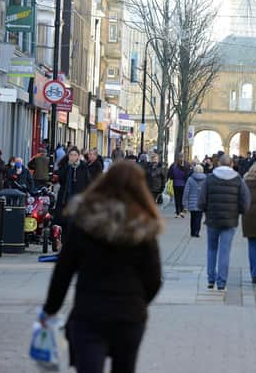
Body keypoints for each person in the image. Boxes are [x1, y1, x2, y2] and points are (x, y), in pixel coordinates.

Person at [41, 162, 162, 373]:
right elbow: (153, 278)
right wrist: (138, 302)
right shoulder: (143, 227)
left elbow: (64, 271)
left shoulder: (85, 221)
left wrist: (50, 309)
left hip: (89, 312)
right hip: (129, 316)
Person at [197, 154, 251, 290]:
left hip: (212, 218)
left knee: (211, 249)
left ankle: (210, 279)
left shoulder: (210, 179)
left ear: (219, 164)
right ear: (232, 164)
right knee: (225, 251)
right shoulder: (238, 179)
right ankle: (221, 282)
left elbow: (201, 200)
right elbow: (245, 200)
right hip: (230, 220)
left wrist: (204, 210)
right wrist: (241, 211)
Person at [55, 147, 91, 228]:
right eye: (71, 155)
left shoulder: (83, 166)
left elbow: (87, 181)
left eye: (75, 155)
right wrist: (67, 167)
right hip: (66, 195)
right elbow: (60, 179)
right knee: (66, 219)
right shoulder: (65, 165)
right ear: (68, 156)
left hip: (78, 196)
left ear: (78, 156)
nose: (73, 157)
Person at [182, 164, 206, 237]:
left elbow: (186, 191)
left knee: (193, 217)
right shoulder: (206, 179)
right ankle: (197, 232)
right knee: (199, 218)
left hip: (192, 202)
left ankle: (192, 232)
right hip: (201, 202)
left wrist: (184, 202)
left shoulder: (190, 179)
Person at [168, 153, 190, 218]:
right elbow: (188, 174)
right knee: (182, 198)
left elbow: (170, 175)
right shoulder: (186, 164)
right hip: (183, 184)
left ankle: (178, 212)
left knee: (177, 198)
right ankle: (181, 212)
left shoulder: (173, 165)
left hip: (176, 184)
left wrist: (172, 178)